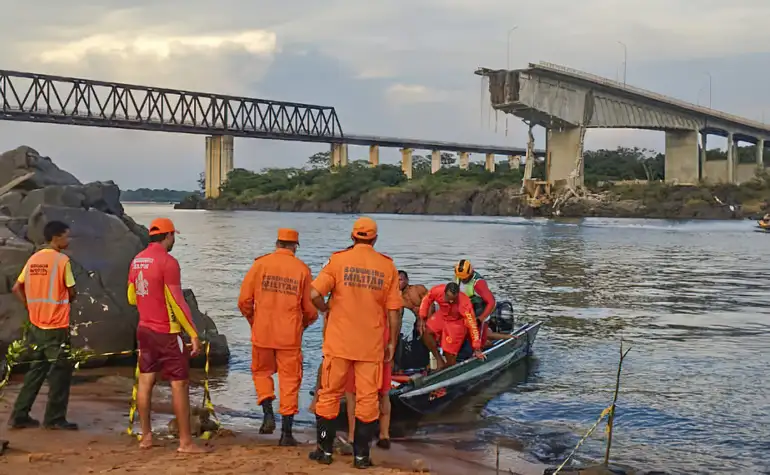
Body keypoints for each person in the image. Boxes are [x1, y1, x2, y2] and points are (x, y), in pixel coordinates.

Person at [309, 216, 403, 469]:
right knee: (367, 400)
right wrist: (392, 343)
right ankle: (362, 457)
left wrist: (325, 308)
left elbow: (314, 293)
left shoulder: (338, 261)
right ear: (374, 239)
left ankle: (324, 451)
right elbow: (394, 311)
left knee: (328, 395)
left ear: (352, 237)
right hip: (371, 346)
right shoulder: (387, 267)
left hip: (339, 343)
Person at [127, 217, 208, 454]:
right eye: (174, 236)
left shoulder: (137, 260)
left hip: (144, 329)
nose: (174, 240)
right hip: (167, 332)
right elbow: (177, 301)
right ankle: (185, 442)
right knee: (179, 385)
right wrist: (193, 333)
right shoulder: (168, 262)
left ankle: (147, 437)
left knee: (145, 381)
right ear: (168, 236)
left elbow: (131, 296)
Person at [237, 228, 318, 446]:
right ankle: (286, 434)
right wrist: (304, 325)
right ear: (295, 246)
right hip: (289, 337)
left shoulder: (260, 265)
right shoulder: (302, 269)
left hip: (262, 332)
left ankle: (267, 414)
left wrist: (254, 321)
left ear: (277, 243)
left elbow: (244, 300)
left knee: (261, 373)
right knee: (289, 381)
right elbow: (310, 309)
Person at [8, 220, 78, 431]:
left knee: (36, 369)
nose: (69, 239)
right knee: (60, 371)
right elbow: (71, 291)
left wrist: (30, 307)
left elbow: (15, 288)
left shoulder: (34, 259)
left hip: (37, 324)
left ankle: (19, 414)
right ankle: (55, 418)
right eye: (67, 235)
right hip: (56, 325)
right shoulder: (61, 261)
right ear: (56, 237)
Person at [417, 282, 484, 370]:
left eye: (453, 299)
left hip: (456, 322)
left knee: (449, 353)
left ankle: (449, 368)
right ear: (444, 292)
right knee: (426, 332)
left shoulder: (464, 303)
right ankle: (439, 360)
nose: (451, 301)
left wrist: (477, 347)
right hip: (442, 315)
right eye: (448, 298)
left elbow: (472, 325)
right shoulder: (437, 290)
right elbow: (427, 299)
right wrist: (422, 317)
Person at [454, 259, 496, 352]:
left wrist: (481, 319)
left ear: (471, 272)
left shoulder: (478, 283)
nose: (463, 279)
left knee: (478, 343)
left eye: (465, 278)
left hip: (479, 313)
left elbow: (491, 302)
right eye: (461, 278)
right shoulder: (458, 277)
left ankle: (485, 344)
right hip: (465, 313)